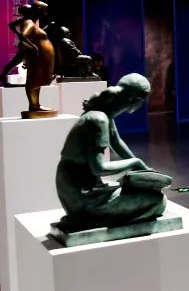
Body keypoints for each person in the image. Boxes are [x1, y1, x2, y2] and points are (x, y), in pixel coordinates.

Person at [53, 74, 171, 231]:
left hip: (79, 187)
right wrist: (135, 162)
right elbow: (99, 168)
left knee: (144, 194)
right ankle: (88, 219)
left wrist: (143, 170)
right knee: (157, 201)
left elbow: (116, 141)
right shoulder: (99, 120)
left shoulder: (103, 114)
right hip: (81, 196)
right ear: (135, 100)